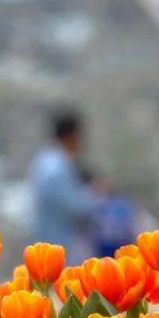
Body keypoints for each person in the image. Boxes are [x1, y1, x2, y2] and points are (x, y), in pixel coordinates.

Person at [30, 109, 99, 262]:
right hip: (61, 246)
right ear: (72, 135)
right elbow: (77, 207)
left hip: (44, 243)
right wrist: (97, 192)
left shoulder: (43, 159)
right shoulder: (58, 167)